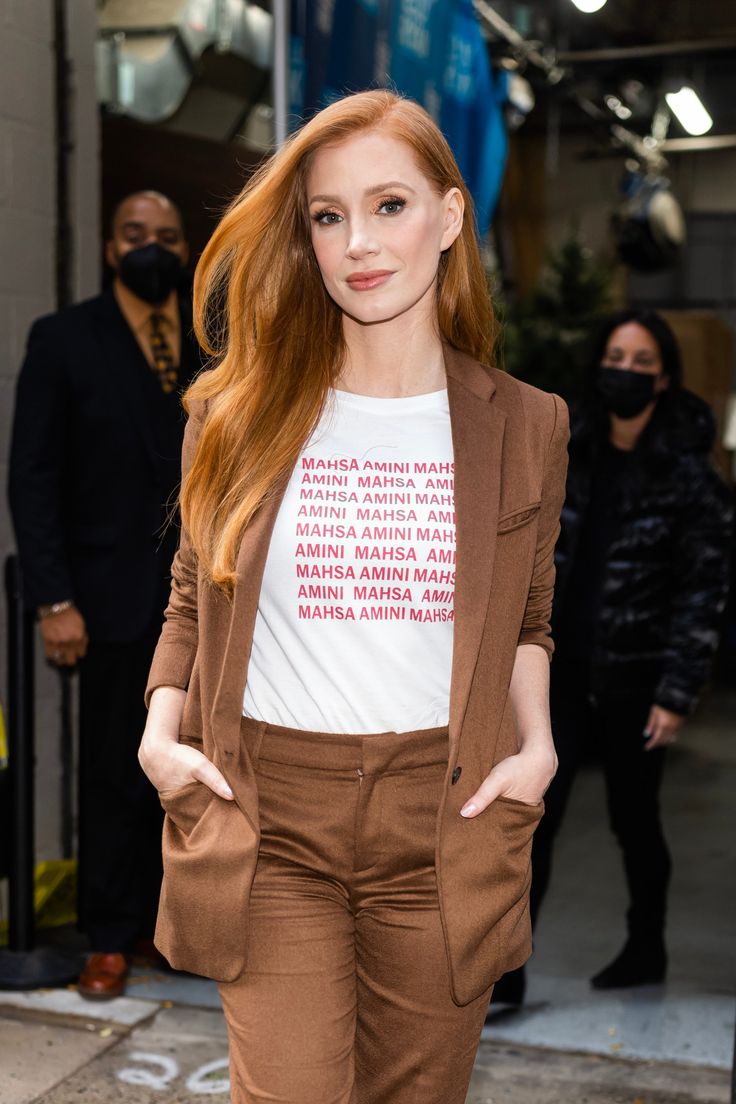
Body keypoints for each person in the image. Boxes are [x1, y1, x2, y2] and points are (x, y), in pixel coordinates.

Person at [138, 90, 569, 1103]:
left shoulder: (527, 426)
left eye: (388, 206)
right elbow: (193, 601)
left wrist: (537, 747)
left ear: (450, 219)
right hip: (271, 815)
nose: (358, 244)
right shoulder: (237, 417)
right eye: (328, 216)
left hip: (445, 815)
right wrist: (163, 738)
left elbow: (531, 614)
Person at [494, 309, 733, 1005]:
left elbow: (705, 588)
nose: (623, 371)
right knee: (535, 811)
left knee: (635, 821)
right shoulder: (570, 449)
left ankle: (646, 945)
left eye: (640, 361)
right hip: (559, 669)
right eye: (614, 356)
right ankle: (509, 970)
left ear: (663, 377)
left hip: (639, 676)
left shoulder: (689, 473)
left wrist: (678, 690)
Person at [8, 191, 202, 999]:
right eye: (135, 235)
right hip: (109, 598)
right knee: (116, 769)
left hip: (208, 602)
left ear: (186, 248)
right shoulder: (62, 340)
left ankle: (173, 925)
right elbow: (34, 475)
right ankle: (111, 934)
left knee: (199, 769)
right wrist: (55, 600)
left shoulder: (212, 343)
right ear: (108, 247)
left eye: (166, 236)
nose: (150, 248)